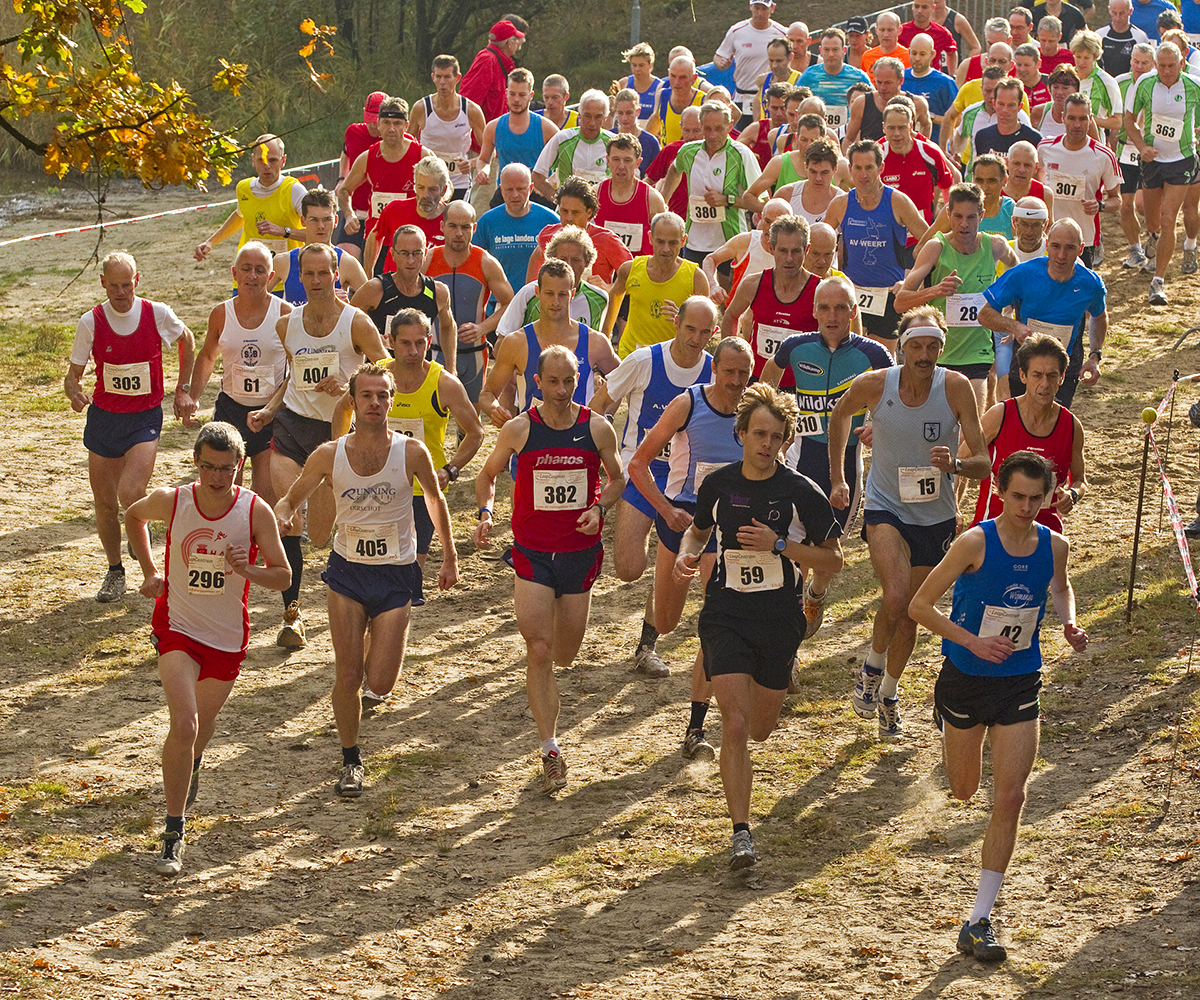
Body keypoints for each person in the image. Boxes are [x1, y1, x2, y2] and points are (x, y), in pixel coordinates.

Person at [909, 450, 1087, 962]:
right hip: (966, 678)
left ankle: (978, 920)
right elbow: (919, 606)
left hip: (1020, 679)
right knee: (965, 790)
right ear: (1000, 493)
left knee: (1010, 797)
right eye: (1017, 497)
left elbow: (1060, 586)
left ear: (1048, 496)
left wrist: (1068, 621)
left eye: (1036, 498)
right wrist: (972, 642)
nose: (1026, 507)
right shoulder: (974, 542)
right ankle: (946, 721)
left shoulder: (1055, 545)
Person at [676, 383, 843, 869]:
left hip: (779, 619)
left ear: (786, 439)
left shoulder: (800, 492)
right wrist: (688, 554)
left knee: (761, 729)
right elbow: (698, 532)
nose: (766, 444)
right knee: (734, 722)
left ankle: (777, 679)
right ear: (742, 434)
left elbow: (834, 560)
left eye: (775, 436)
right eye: (758, 434)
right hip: (725, 613)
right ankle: (741, 833)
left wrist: (779, 545)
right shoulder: (718, 485)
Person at [275, 363, 457, 797]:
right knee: (348, 673)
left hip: (396, 572)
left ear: (391, 401)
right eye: (366, 395)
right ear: (353, 401)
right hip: (348, 573)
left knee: (380, 682)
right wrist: (281, 517)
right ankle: (350, 759)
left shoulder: (412, 452)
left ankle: (379, 637)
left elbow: (435, 502)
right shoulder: (328, 455)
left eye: (382, 395)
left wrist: (450, 555)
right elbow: (290, 499)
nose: (375, 403)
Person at [126, 422, 290, 876]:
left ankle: (193, 762)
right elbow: (134, 516)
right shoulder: (174, 500)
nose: (217, 478)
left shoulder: (255, 510)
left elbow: (283, 576)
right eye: (208, 468)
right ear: (196, 463)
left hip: (226, 637)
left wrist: (248, 569)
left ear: (240, 466)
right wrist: (150, 571)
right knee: (185, 723)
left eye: (226, 469)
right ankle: (173, 832)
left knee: (201, 727)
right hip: (177, 628)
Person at [827, 309, 990, 738]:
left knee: (911, 614)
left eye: (932, 346)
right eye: (916, 345)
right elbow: (838, 415)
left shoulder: (955, 387)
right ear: (902, 347)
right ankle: (872, 666)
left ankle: (888, 692)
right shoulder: (875, 384)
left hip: (935, 516)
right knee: (896, 595)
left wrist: (955, 465)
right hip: (886, 507)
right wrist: (840, 477)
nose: (924, 355)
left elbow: (983, 462)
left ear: (942, 347)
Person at [473, 346, 624, 792]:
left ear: (579, 380)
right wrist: (486, 512)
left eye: (569, 381)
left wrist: (599, 508)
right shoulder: (520, 429)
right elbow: (487, 475)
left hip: (579, 552)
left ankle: (548, 700)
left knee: (565, 654)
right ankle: (550, 749)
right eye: (553, 382)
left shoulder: (597, 428)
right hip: (533, 553)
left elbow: (617, 479)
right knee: (539, 650)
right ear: (537, 382)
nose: (561, 390)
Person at [256, 245, 389, 648]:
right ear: (299, 277)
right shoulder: (286, 325)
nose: (316, 281)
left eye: (323, 274)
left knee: (320, 534)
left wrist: (350, 386)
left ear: (336, 275)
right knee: (289, 520)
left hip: (337, 434)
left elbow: (386, 370)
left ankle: (361, 604)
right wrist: (269, 409)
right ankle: (292, 616)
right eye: (308, 274)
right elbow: (293, 377)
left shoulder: (356, 323)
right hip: (291, 429)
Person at [628, 337, 754, 758]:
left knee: (716, 620)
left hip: (729, 526)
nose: (736, 381)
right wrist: (665, 511)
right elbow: (639, 463)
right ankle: (651, 622)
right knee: (667, 620)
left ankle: (695, 728)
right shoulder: (688, 403)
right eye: (729, 371)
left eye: (744, 373)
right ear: (714, 369)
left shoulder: (754, 410)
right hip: (683, 518)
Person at [590, 296, 716, 676]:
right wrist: (600, 457)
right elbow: (600, 405)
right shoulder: (644, 360)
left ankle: (646, 646)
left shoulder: (714, 370)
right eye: (690, 329)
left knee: (670, 568)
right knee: (629, 568)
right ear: (676, 324)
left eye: (704, 332)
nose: (695, 339)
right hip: (640, 470)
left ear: (713, 333)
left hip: (686, 483)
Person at [64, 251, 198, 603]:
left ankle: (146, 552)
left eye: (127, 285)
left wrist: (183, 388)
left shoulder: (156, 313)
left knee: (131, 492)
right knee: (106, 504)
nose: (121, 293)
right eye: (114, 286)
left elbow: (187, 339)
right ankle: (115, 571)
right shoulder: (91, 322)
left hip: (144, 417)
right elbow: (72, 377)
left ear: (137, 281)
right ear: (103, 283)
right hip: (105, 419)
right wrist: (74, 392)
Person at [760, 275, 891, 633]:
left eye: (840, 308)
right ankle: (790, 615)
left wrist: (877, 426)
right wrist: (772, 428)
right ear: (815, 311)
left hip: (847, 466)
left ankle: (816, 593)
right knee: (794, 544)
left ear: (853, 311)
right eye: (825, 308)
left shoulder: (874, 354)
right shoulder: (795, 347)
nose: (832, 316)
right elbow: (765, 388)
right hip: (802, 459)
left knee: (828, 550)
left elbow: (893, 400)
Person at [368, 310, 483, 580]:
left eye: (420, 343)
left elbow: (476, 432)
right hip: (376, 484)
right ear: (390, 342)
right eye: (405, 343)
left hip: (422, 489)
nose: (413, 351)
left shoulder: (443, 383)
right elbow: (344, 410)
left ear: (429, 342)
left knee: (411, 569)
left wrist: (450, 470)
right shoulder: (375, 377)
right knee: (375, 566)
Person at [898, 183, 1018, 415]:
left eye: (971, 217)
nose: (964, 224)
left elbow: (1015, 268)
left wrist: (1009, 306)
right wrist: (935, 291)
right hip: (937, 354)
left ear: (981, 216)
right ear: (948, 214)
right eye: (958, 216)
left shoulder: (995, 246)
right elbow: (900, 302)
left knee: (971, 422)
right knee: (937, 426)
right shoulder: (936, 248)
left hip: (978, 353)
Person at [189, 243, 291, 507]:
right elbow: (207, 355)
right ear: (235, 273)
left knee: (266, 494)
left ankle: (262, 533)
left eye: (260, 270)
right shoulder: (221, 313)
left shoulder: (285, 314)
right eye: (246, 269)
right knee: (225, 491)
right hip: (231, 410)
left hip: (271, 413)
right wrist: (193, 397)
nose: (252, 276)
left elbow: (296, 368)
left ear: (271, 276)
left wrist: (274, 407)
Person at [979, 218, 1107, 408]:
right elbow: (984, 314)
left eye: (1069, 248)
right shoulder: (1024, 274)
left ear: (1080, 249)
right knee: (1023, 419)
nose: (1061, 255)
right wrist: (1015, 326)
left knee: (1052, 419)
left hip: (1065, 367)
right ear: (1047, 244)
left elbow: (1099, 316)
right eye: (1055, 246)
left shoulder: (1091, 284)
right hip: (1025, 363)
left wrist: (1095, 356)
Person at [968, 333, 1086, 533]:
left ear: (1062, 377)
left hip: (1045, 529)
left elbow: (1080, 479)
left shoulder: (1071, 425)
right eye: (1037, 375)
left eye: (1052, 375)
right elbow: (962, 460)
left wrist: (1073, 494)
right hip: (994, 527)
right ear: (1023, 375)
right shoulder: (1000, 415)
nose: (1044, 384)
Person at [480, 259, 619, 425]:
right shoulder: (517, 342)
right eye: (549, 293)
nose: (555, 302)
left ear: (572, 294)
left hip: (580, 439)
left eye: (562, 294)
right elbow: (487, 394)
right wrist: (495, 411)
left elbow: (624, 379)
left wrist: (605, 415)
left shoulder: (595, 341)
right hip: (532, 437)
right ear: (537, 292)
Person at [825, 140, 930, 349]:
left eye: (869, 167)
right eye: (858, 168)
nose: (863, 175)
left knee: (883, 359)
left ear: (881, 168)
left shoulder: (898, 201)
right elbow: (820, 241)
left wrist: (910, 279)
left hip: (888, 295)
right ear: (850, 169)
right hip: (851, 293)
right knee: (848, 354)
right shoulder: (840, 204)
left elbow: (931, 242)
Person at [1123, 42, 1200, 305]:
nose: (1167, 71)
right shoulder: (1144, 83)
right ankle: (1152, 236)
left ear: (1181, 64)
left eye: (1172, 66)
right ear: (1155, 65)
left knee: (1169, 218)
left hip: (1182, 159)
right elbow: (1129, 120)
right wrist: (1142, 147)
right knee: (1152, 219)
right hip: (1153, 160)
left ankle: (1158, 282)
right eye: (1162, 66)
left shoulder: (1193, 86)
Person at [424, 200, 515, 405]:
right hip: (435, 353)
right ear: (442, 227)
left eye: (465, 227)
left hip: (474, 355)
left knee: (472, 419)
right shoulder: (428, 259)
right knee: (433, 416)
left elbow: (510, 303)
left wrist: (483, 327)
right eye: (453, 226)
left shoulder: (485, 262)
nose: (459, 233)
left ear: (473, 228)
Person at [720, 214, 819, 388]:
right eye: (783, 251)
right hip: (758, 382)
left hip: (801, 386)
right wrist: (731, 359)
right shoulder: (753, 284)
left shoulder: (820, 290)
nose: (789, 258)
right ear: (771, 248)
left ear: (807, 250)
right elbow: (730, 316)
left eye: (796, 251)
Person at [662, 101, 763, 265]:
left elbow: (761, 204)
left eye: (718, 129)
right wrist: (663, 202)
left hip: (730, 243)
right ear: (701, 126)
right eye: (707, 129)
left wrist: (726, 200)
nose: (712, 135)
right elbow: (675, 169)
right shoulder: (688, 151)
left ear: (730, 126)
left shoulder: (742, 154)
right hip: (693, 242)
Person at [351, 225, 457, 374]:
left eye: (417, 253)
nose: (411, 260)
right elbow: (347, 324)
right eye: (404, 253)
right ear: (393, 254)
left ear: (425, 254)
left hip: (419, 377)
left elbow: (448, 326)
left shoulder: (437, 291)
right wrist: (368, 340)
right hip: (380, 377)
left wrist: (451, 368)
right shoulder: (376, 289)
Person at [603, 212, 707, 358]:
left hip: (673, 357)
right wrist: (605, 339)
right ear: (650, 238)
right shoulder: (630, 269)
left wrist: (683, 318)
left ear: (683, 241)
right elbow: (615, 296)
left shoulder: (696, 277)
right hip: (632, 353)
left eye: (673, 243)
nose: (666, 249)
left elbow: (704, 324)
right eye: (660, 242)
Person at [1037, 93, 1120, 268]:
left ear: (1090, 119)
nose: (1077, 124)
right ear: (1063, 118)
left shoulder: (1104, 156)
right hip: (1048, 236)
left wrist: (1100, 205)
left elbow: (1116, 200)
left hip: (1083, 239)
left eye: (1082, 119)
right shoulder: (1045, 147)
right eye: (1072, 118)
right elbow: (1036, 181)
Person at [337, 99, 424, 265]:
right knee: (369, 279)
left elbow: (444, 188)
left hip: (410, 239)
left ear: (406, 126)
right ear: (379, 124)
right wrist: (348, 215)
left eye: (397, 123)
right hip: (377, 238)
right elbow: (344, 190)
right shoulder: (368, 157)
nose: (391, 128)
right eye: (386, 122)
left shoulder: (421, 155)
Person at [194, 135, 305, 265]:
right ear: (253, 160)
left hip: (287, 272)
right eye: (261, 160)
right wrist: (210, 242)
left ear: (283, 160)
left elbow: (317, 234)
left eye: (273, 160)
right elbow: (241, 215)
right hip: (250, 271)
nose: (267, 165)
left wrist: (284, 231)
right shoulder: (244, 188)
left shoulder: (294, 190)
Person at [473, 68, 559, 212]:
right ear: (506, 93)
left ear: (531, 96)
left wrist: (553, 179)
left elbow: (566, 160)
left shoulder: (546, 128)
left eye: (522, 95)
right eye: (512, 94)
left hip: (537, 193)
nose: (516, 99)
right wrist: (483, 171)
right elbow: (483, 159)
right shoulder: (493, 127)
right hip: (506, 193)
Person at [501, 225, 610, 336]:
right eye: (563, 259)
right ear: (552, 260)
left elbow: (597, 342)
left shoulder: (599, 299)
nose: (569, 265)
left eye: (576, 260)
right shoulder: (529, 293)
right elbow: (502, 339)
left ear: (587, 262)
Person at [472, 163, 560, 298]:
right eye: (509, 189)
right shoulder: (487, 222)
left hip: (538, 301)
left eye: (520, 189)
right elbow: (474, 263)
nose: (515, 195)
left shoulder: (551, 220)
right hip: (498, 303)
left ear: (531, 188)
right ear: (501, 190)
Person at [527, 177, 633, 287]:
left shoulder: (606, 240)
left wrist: (609, 288)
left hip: (595, 298)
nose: (569, 218)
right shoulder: (548, 235)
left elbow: (634, 277)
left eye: (575, 212)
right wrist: (534, 291)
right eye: (564, 211)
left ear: (589, 212)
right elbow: (534, 264)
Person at [410, 54, 487, 202]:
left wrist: (471, 164)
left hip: (458, 181)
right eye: (438, 77)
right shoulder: (421, 108)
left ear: (457, 78)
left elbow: (489, 151)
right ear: (432, 77)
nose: (442, 82)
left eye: (447, 77)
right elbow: (407, 145)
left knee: (455, 215)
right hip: (427, 182)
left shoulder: (470, 110)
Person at [273, 189, 370, 305]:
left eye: (327, 219)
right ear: (303, 221)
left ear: (336, 221)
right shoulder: (284, 261)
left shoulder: (347, 263)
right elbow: (257, 298)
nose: (321, 226)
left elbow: (370, 306)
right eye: (314, 220)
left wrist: (347, 307)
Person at [364, 155, 451, 273]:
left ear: (443, 190)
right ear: (414, 187)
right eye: (421, 187)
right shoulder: (394, 209)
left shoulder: (451, 219)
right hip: (393, 282)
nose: (425, 195)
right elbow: (375, 236)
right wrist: (368, 274)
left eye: (433, 189)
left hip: (433, 283)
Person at [1114, 41, 1157, 270]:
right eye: (1136, 61)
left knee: (1143, 205)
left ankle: (1155, 241)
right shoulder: (1119, 82)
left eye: (1144, 63)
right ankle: (1135, 250)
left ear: (1153, 65)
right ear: (1130, 61)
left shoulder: (1157, 84)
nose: (1139, 67)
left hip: (1150, 152)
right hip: (1125, 150)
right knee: (1125, 205)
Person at [880, 101, 960, 225]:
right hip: (886, 229)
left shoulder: (930, 153)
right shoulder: (876, 155)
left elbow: (947, 183)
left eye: (902, 127)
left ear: (911, 126)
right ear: (884, 127)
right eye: (891, 128)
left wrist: (948, 221)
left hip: (923, 230)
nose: (897, 133)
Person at [713, 0, 787, 127]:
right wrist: (721, 63)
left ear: (772, 8)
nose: (760, 13)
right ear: (750, 7)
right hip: (743, 97)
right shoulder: (736, 31)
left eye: (764, 9)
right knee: (741, 136)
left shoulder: (782, 33)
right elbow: (719, 55)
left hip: (771, 98)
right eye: (757, 8)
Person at [596, 134, 669, 259]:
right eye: (616, 159)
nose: (621, 166)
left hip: (639, 267)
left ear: (638, 163)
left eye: (627, 160)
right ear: (608, 161)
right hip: (604, 267)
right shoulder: (595, 194)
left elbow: (664, 240)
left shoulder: (652, 199)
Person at [333, 92, 387, 262]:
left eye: (377, 121)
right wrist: (342, 178)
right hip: (356, 212)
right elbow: (346, 153)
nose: (374, 126)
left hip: (383, 216)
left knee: (377, 269)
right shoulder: (353, 132)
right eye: (369, 119)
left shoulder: (396, 140)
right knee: (343, 262)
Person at [532, 90, 613, 200]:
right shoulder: (562, 139)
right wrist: (558, 200)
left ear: (605, 118)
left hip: (602, 208)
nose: (592, 123)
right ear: (579, 114)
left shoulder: (613, 143)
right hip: (568, 209)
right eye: (587, 116)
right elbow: (537, 176)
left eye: (598, 117)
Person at [843, 58, 933, 147]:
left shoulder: (917, 103)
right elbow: (849, 139)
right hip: (873, 155)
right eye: (879, 82)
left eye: (888, 83)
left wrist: (920, 148)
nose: (883, 88)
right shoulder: (861, 103)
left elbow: (926, 125)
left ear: (900, 80)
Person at [797, 29, 872, 133]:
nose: (831, 54)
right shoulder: (809, 76)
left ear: (844, 50)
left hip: (850, 133)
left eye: (835, 49)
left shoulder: (859, 77)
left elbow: (873, 104)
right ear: (820, 51)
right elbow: (794, 103)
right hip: (815, 133)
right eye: (826, 50)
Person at [458, 19, 525, 123]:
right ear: (509, 43)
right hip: (484, 131)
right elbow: (468, 102)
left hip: (495, 129)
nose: (518, 43)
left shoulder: (497, 61)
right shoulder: (487, 60)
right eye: (516, 39)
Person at [645, 105, 704, 220]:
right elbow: (649, 180)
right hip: (674, 220)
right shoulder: (671, 150)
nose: (691, 136)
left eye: (696, 131)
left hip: (705, 222)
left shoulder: (716, 153)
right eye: (686, 130)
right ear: (681, 127)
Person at [905, 32, 961, 145]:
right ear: (909, 52)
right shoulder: (901, 77)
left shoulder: (945, 82)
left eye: (922, 54)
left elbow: (958, 120)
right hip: (903, 146)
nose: (917, 58)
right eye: (914, 53)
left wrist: (928, 116)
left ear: (933, 54)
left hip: (935, 145)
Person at [974, 77, 1043, 159]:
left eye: (1011, 105)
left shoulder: (1034, 138)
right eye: (1001, 104)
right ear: (994, 104)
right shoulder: (983, 137)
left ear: (1020, 107)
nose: (1005, 110)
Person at [1071, 30, 1124, 132]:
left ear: (1095, 58)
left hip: (1094, 139)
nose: (1081, 62)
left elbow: (1117, 122)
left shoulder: (1107, 82)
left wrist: (1086, 120)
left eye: (1086, 58)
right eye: (1078, 57)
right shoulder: (1068, 76)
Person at [646, 56, 706, 145]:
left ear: (694, 78)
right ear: (668, 74)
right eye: (673, 76)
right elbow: (653, 126)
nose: (677, 82)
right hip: (668, 153)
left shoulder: (703, 100)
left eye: (683, 77)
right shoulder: (662, 96)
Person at [610, 89, 663, 178]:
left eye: (629, 113)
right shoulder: (609, 136)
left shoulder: (650, 142)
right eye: (620, 113)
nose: (624, 118)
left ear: (638, 112)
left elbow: (656, 175)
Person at [902, 0, 960, 77]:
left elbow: (952, 52)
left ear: (933, 8)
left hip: (934, 79)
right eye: (916, 6)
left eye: (924, 7)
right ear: (912, 6)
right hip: (907, 78)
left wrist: (952, 75)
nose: (919, 11)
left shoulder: (942, 32)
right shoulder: (901, 31)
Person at [1098, 0, 1149, 77]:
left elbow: (1148, 65)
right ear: (1109, 10)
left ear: (1130, 11)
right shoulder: (1100, 35)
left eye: (1122, 13)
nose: (1117, 18)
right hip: (1105, 82)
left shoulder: (1140, 37)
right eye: (1114, 13)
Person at [956, 18, 1013, 86]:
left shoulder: (1018, 69)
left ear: (1009, 41)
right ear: (986, 38)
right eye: (990, 43)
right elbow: (956, 92)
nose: (993, 48)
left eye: (999, 44)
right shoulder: (967, 66)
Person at [621, 41, 663, 124]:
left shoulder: (660, 87)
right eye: (634, 65)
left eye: (641, 65)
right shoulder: (624, 84)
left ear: (651, 65)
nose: (637, 69)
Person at [863, 13, 912, 81]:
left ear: (899, 30)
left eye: (890, 30)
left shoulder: (909, 57)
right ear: (876, 30)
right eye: (882, 30)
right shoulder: (867, 56)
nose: (886, 35)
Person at [1013, 42, 1053, 107]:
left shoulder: (1051, 83)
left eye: (1027, 65)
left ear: (1038, 64)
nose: (1022, 69)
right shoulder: (1013, 87)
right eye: (1019, 65)